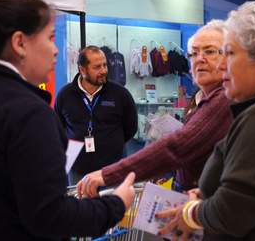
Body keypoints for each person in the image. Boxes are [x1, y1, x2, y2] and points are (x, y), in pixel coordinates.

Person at [0, 0, 136, 240]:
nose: (56, 50)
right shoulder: (27, 112)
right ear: (19, 43)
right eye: (50, 37)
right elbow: (51, 216)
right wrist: (116, 204)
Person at [156, 1, 255, 240]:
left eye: (230, 53)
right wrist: (209, 197)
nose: (222, 64)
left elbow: (235, 211)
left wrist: (193, 212)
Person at [77, 20, 233, 197]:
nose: (200, 59)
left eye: (210, 51)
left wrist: (108, 175)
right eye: (194, 53)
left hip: (207, 209)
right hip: (193, 201)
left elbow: (178, 147)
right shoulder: (203, 98)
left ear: (229, 57)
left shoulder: (223, 99)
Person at [54, 45, 138, 185]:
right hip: (77, 168)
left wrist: (111, 144)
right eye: (97, 67)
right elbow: (59, 128)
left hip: (113, 168)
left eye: (105, 65)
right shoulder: (65, 95)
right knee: (79, 206)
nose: (104, 70)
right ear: (82, 70)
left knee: (113, 205)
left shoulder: (120, 94)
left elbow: (131, 127)